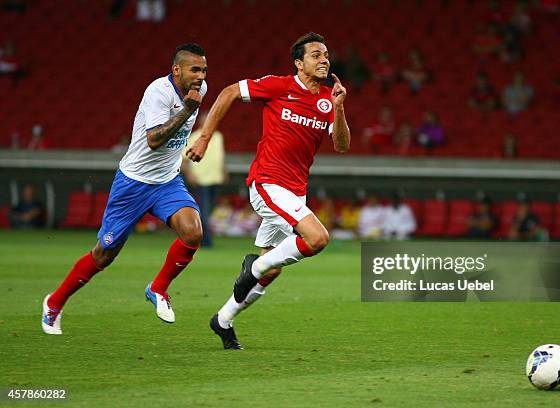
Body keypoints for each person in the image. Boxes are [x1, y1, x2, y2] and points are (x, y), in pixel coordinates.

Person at [186, 32, 350, 349]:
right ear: (299, 63)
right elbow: (231, 91)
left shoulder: (329, 100)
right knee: (317, 238)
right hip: (267, 183)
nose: (324, 59)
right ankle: (254, 266)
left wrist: (340, 107)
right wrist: (205, 137)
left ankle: (223, 320)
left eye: (326, 54)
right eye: (316, 54)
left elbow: (342, 145)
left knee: (271, 270)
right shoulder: (279, 86)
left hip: (295, 191)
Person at [41, 43, 208, 335]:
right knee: (105, 254)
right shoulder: (158, 92)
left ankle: (158, 289)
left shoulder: (200, 90)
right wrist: (187, 111)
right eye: (195, 69)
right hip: (133, 182)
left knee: (193, 232)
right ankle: (54, 302)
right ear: (176, 70)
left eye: (205, 70)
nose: (201, 76)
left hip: (167, 180)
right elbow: (155, 139)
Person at [182, 112, 227, 247]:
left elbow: (220, 156)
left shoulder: (218, 136)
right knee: (204, 210)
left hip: (216, 178)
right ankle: (205, 241)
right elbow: (184, 160)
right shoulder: (194, 137)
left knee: (209, 210)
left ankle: (201, 238)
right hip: (201, 179)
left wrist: (224, 171)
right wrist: (189, 174)